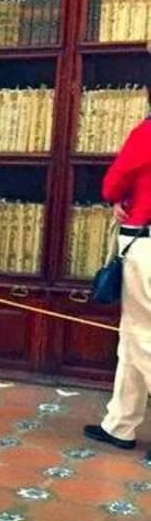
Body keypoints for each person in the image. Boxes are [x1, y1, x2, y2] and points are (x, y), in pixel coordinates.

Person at [85, 110, 151, 450]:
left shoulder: (147, 132)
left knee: (142, 335)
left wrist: (115, 199)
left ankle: (121, 423)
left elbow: (114, 182)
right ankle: (120, 423)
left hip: (146, 241)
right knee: (132, 335)